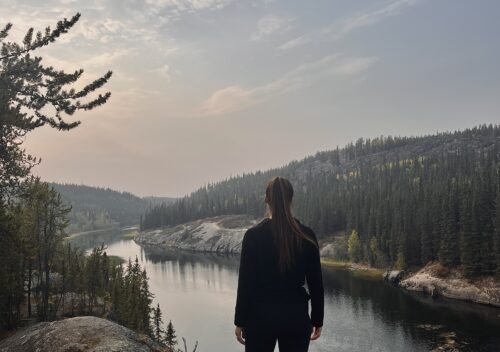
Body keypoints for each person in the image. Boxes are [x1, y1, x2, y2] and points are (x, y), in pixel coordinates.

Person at [234, 176, 324, 352]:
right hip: (296, 316)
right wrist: (317, 320)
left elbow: (245, 283)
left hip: (260, 317)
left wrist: (240, 321)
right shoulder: (307, 235)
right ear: (291, 199)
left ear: (266, 199)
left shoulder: (253, 236)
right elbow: (316, 284)